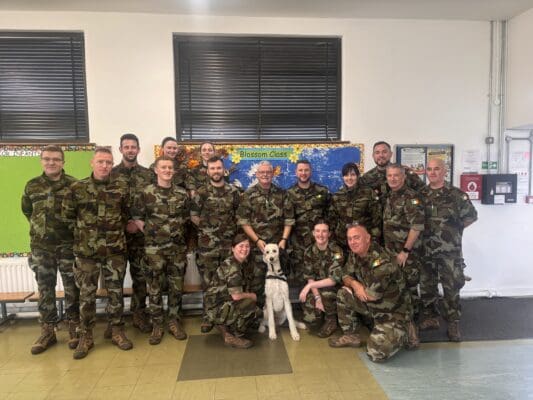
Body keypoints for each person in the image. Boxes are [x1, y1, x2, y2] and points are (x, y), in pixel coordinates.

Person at [62, 147, 132, 359]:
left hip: (114, 251)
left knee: (116, 293)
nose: (104, 166)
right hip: (87, 253)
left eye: (108, 162)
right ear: (92, 163)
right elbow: (68, 218)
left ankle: (117, 331)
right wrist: (86, 236)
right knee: (86, 296)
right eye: (100, 161)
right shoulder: (77, 188)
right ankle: (86, 336)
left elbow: (126, 215)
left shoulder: (121, 188)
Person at [21, 145, 80, 355]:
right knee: (45, 288)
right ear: (42, 161)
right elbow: (28, 211)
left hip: (67, 246)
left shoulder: (74, 185)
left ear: (63, 162)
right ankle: (48, 330)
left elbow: (79, 215)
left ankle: (74, 326)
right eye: (47, 159)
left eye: (56, 159)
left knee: (72, 287)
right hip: (41, 247)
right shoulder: (32, 186)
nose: (51, 162)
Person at [329, 224, 410, 363]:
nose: (353, 242)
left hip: (392, 314)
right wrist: (355, 284)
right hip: (373, 307)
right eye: (349, 239)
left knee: (375, 354)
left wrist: (356, 287)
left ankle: (407, 331)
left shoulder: (382, 261)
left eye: (356, 237)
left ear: (367, 238)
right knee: (343, 294)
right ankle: (352, 335)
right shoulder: (355, 254)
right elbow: (345, 275)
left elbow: (371, 296)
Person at [131, 156, 191, 344]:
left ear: (174, 171)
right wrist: (152, 233)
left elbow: (186, 218)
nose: (167, 170)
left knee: (176, 287)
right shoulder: (146, 192)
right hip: (154, 250)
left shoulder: (181, 194)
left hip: (177, 249)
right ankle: (157, 324)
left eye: (170, 167)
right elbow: (137, 217)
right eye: (163, 167)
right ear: (156, 170)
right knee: (154, 288)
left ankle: (174, 321)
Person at [419, 158, 478, 341]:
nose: (432, 172)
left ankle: (453, 323)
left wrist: (454, 230)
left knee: (451, 287)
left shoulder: (456, 195)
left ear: (445, 171)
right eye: (429, 169)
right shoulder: (420, 194)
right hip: (426, 249)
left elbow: (471, 217)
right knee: (427, 285)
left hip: (449, 251)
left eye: (437, 169)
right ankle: (430, 318)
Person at [191, 156, 241, 333]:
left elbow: (239, 216)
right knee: (208, 282)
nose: (216, 171)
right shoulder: (201, 192)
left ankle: (227, 316)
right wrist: (208, 230)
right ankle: (208, 317)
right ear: (208, 171)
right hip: (208, 247)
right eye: (212, 168)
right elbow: (194, 216)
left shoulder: (233, 192)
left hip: (228, 246)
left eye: (219, 168)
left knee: (228, 281)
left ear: (223, 170)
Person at [110, 133, 153, 334]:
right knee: (114, 280)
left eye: (133, 147)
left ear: (138, 149)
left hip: (140, 237)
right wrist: (124, 223)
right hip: (115, 237)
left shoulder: (148, 175)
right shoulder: (110, 174)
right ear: (120, 149)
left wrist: (138, 222)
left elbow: (153, 203)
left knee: (141, 277)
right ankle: (114, 320)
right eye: (126, 147)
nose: (130, 150)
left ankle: (139, 314)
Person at [237, 161, 294, 307]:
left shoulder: (282, 194)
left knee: (278, 284)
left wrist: (284, 239)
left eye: (268, 172)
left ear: (273, 174)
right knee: (256, 283)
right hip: (257, 248)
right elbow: (244, 222)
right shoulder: (248, 194)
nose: (265, 175)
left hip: (277, 249)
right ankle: (258, 314)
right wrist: (256, 240)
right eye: (262, 172)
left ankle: (277, 313)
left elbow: (289, 220)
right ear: (257, 174)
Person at [382, 163, 425, 348]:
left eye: (396, 175)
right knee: (397, 290)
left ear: (404, 177)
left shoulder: (411, 197)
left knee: (408, 291)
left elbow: (417, 226)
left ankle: (412, 334)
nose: (392, 178)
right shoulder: (390, 196)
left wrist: (405, 251)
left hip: (406, 255)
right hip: (391, 253)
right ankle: (401, 330)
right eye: (390, 175)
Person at [204, 233, 262, 349]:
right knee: (251, 305)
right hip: (215, 309)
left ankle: (226, 326)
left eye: (247, 246)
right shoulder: (232, 267)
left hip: (222, 303)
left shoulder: (241, 263)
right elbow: (236, 296)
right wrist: (252, 296)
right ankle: (234, 335)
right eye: (241, 246)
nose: (244, 249)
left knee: (255, 312)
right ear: (233, 248)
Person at [286, 160, 331, 287]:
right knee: (301, 278)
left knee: (321, 273)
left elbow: (329, 214)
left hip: (319, 241)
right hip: (298, 243)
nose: (303, 173)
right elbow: (287, 219)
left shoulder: (322, 191)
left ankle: (319, 298)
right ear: (296, 172)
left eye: (306, 170)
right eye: (300, 170)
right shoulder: (289, 193)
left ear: (311, 172)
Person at [298, 221, 344, 338]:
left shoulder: (336, 251)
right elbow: (310, 277)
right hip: (317, 288)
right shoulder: (309, 251)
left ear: (329, 234)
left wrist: (310, 286)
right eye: (317, 231)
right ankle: (321, 314)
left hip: (333, 288)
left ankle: (331, 320)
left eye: (324, 231)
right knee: (310, 319)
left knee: (327, 294)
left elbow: (333, 280)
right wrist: (317, 297)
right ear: (313, 233)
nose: (321, 234)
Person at [328, 162, 381, 248]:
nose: (349, 178)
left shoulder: (368, 193)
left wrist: (373, 241)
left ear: (358, 176)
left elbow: (377, 221)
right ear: (343, 177)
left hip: (363, 242)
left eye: (352, 175)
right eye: (346, 175)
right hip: (342, 242)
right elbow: (332, 220)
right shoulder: (337, 196)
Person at [359, 141, 425, 202]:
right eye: (377, 152)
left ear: (391, 154)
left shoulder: (405, 172)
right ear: (373, 156)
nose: (381, 155)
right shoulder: (366, 178)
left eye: (384, 152)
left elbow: (423, 193)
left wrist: (411, 204)